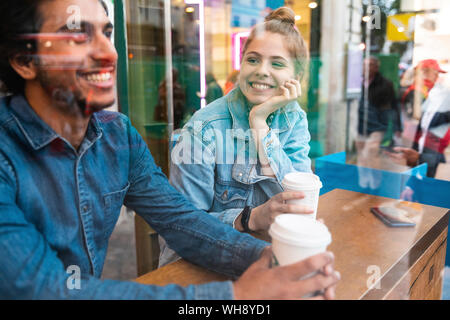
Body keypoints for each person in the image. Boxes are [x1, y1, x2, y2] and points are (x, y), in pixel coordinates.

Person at [0, 0, 340, 299]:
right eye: (77, 34)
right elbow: (40, 289)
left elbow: (180, 220)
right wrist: (235, 296)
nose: (108, 52)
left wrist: (269, 261)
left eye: (106, 32)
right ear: (24, 61)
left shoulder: (117, 135)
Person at [160, 8, 314, 266]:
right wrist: (250, 218)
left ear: (296, 77)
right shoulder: (202, 130)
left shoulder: (294, 119)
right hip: (205, 271)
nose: (261, 71)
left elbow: (300, 199)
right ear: (241, 64)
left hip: (268, 263)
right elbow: (182, 229)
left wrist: (259, 123)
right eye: (253, 60)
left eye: (277, 63)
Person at [387, 60, 450, 178]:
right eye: (435, 72)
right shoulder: (419, 91)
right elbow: (422, 120)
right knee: (422, 179)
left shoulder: (430, 90)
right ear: (424, 72)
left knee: (422, 178)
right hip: (423, 144)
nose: (437, 76)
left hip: (429, 144)